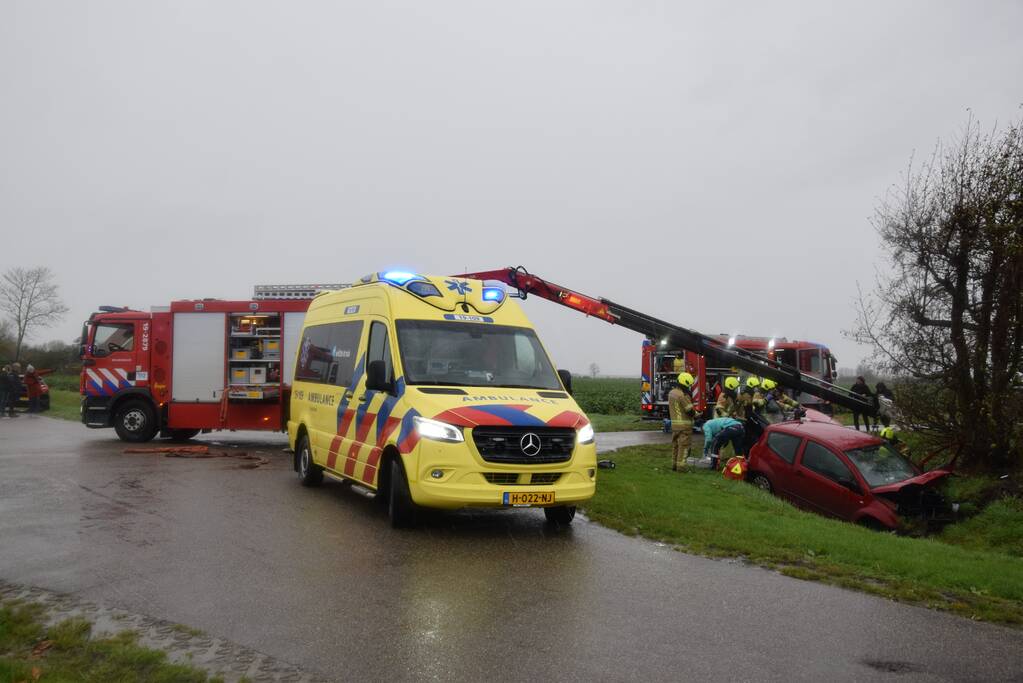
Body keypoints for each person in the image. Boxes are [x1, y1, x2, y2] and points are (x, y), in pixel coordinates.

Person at [667, 372, 698, 472]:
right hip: (685, 426)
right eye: (688, 385)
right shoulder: (683, 395)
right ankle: (681, 468)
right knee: (683, 447)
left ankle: (674, 466)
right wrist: (697, 414)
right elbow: (690, 410)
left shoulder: (672, 393)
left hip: (675, 425)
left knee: (675, 446)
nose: (689, 387)